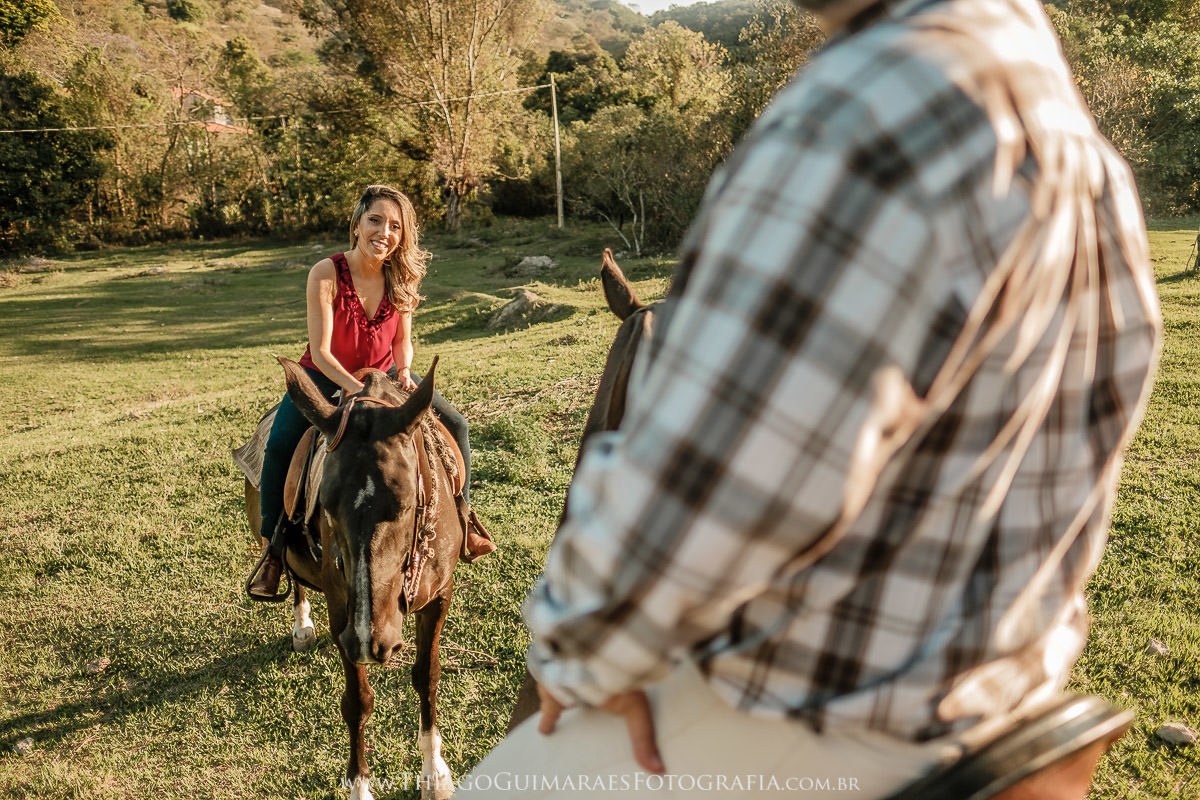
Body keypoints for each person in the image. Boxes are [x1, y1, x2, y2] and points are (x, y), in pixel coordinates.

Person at [458, 0, 1161, 796]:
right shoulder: (1071, 134)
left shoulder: (872, 106)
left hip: (812, 716)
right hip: (995, 700)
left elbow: (711, 489)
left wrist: (583, 649)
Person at [248, 184, 493, 599]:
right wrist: (356, 388)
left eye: (395, 225)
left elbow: (402, 343)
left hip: (384, 381)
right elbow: (323, 353)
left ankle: (465, 520)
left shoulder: (402, 276)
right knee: (281, 443)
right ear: (357, 225)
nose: (384, 231)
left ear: (403, 235)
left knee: (457, 424)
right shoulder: (325, 273)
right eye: (375, 220)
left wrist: (406, 371)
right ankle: (274, 549)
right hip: (326, 379)